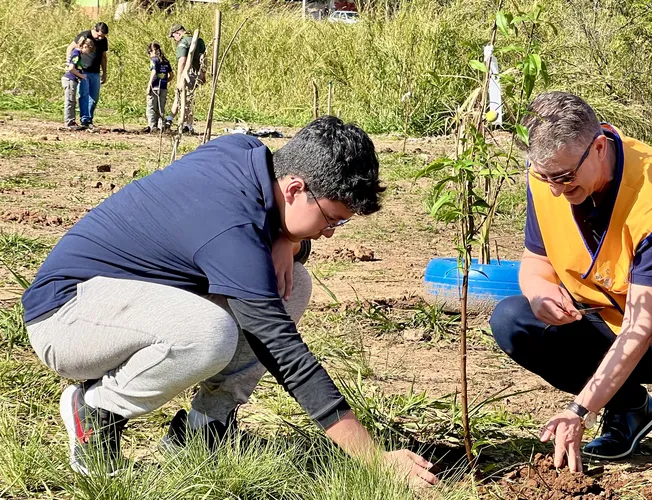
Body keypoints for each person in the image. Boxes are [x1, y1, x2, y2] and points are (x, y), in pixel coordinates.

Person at [21, 116, 438, 487]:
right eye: (332, 220)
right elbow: (284, 352)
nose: (329, 233)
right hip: (66, 318)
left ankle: (203, 429)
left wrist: (286, 237)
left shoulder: (247, 153)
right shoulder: (232, 227)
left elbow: (259, 232)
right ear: (295, 188)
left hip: (124, 302)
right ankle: (97, 411)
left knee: (293, 284)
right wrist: (372, 458)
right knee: (209, 333)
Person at [489, 91, 652, 472]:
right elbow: (535, 259)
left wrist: (579, 410)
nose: (555, 189)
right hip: (605, 324)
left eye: (564, 177)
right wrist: (538, 290)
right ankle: (628, 408)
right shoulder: (548, 172)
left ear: (598, 148)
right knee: (512, 318)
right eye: (545, 176)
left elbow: (640, 327)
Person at [65, 22, 109, 129]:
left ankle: (89, 119)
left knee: (94, 98)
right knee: (84, 95)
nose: (100, 38)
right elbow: (70, 48)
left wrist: (104, 72)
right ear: (94, 30)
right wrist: (69, 63)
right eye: (99, 35)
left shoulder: (103, 41)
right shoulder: (85, 36)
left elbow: (104, 57)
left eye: (103, 36)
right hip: (83, 71)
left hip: (95, 72)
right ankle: (84, 120)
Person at [167, 24, 206, 134]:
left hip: (188, 74)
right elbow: (204, 58)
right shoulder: (199, 41)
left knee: (184, 98)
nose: (174, 39)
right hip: (197, 73)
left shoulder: (183, 42)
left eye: (173, 36)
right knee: (187, 98)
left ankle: (186, 125)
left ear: (177, 33)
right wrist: (203, 74)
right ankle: (171, 120)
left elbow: (182, 62)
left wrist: (179, 80)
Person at [61, 38, 95, 129]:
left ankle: (71, 121)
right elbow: (71, 68)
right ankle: (69, 122)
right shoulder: (76, 54)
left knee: (72, 101)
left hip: (73, 80)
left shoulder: (78, 54)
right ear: (85, 46)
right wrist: (81, 75)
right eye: (88, 51)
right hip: (70, 79)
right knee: (70, 101)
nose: (87, 53)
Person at [144, 42, 173, 133]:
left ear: (151, 52)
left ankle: (152, 126)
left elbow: (154, 72)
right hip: (163, 88)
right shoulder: (166, 61)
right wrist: (165, 81)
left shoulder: (154, 60)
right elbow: (172, 75)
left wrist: (149, 85)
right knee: (161, 108)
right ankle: (161, 127)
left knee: (151, 107)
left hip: (154, 87)